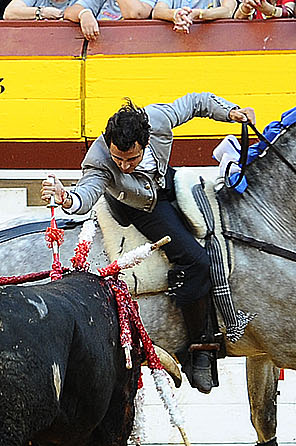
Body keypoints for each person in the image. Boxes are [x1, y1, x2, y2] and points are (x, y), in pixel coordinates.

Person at [40, 92, 256, 392]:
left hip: (167, 184)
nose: (124, 166)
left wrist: (231, 112)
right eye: (118, 159)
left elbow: (197, 102)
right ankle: (199, 350)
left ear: (146, 139)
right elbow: (87, 194)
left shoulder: (158, 118)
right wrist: (66, 198)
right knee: (197, 262)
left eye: (132, 158)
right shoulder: (99, 160)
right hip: (139, 207)